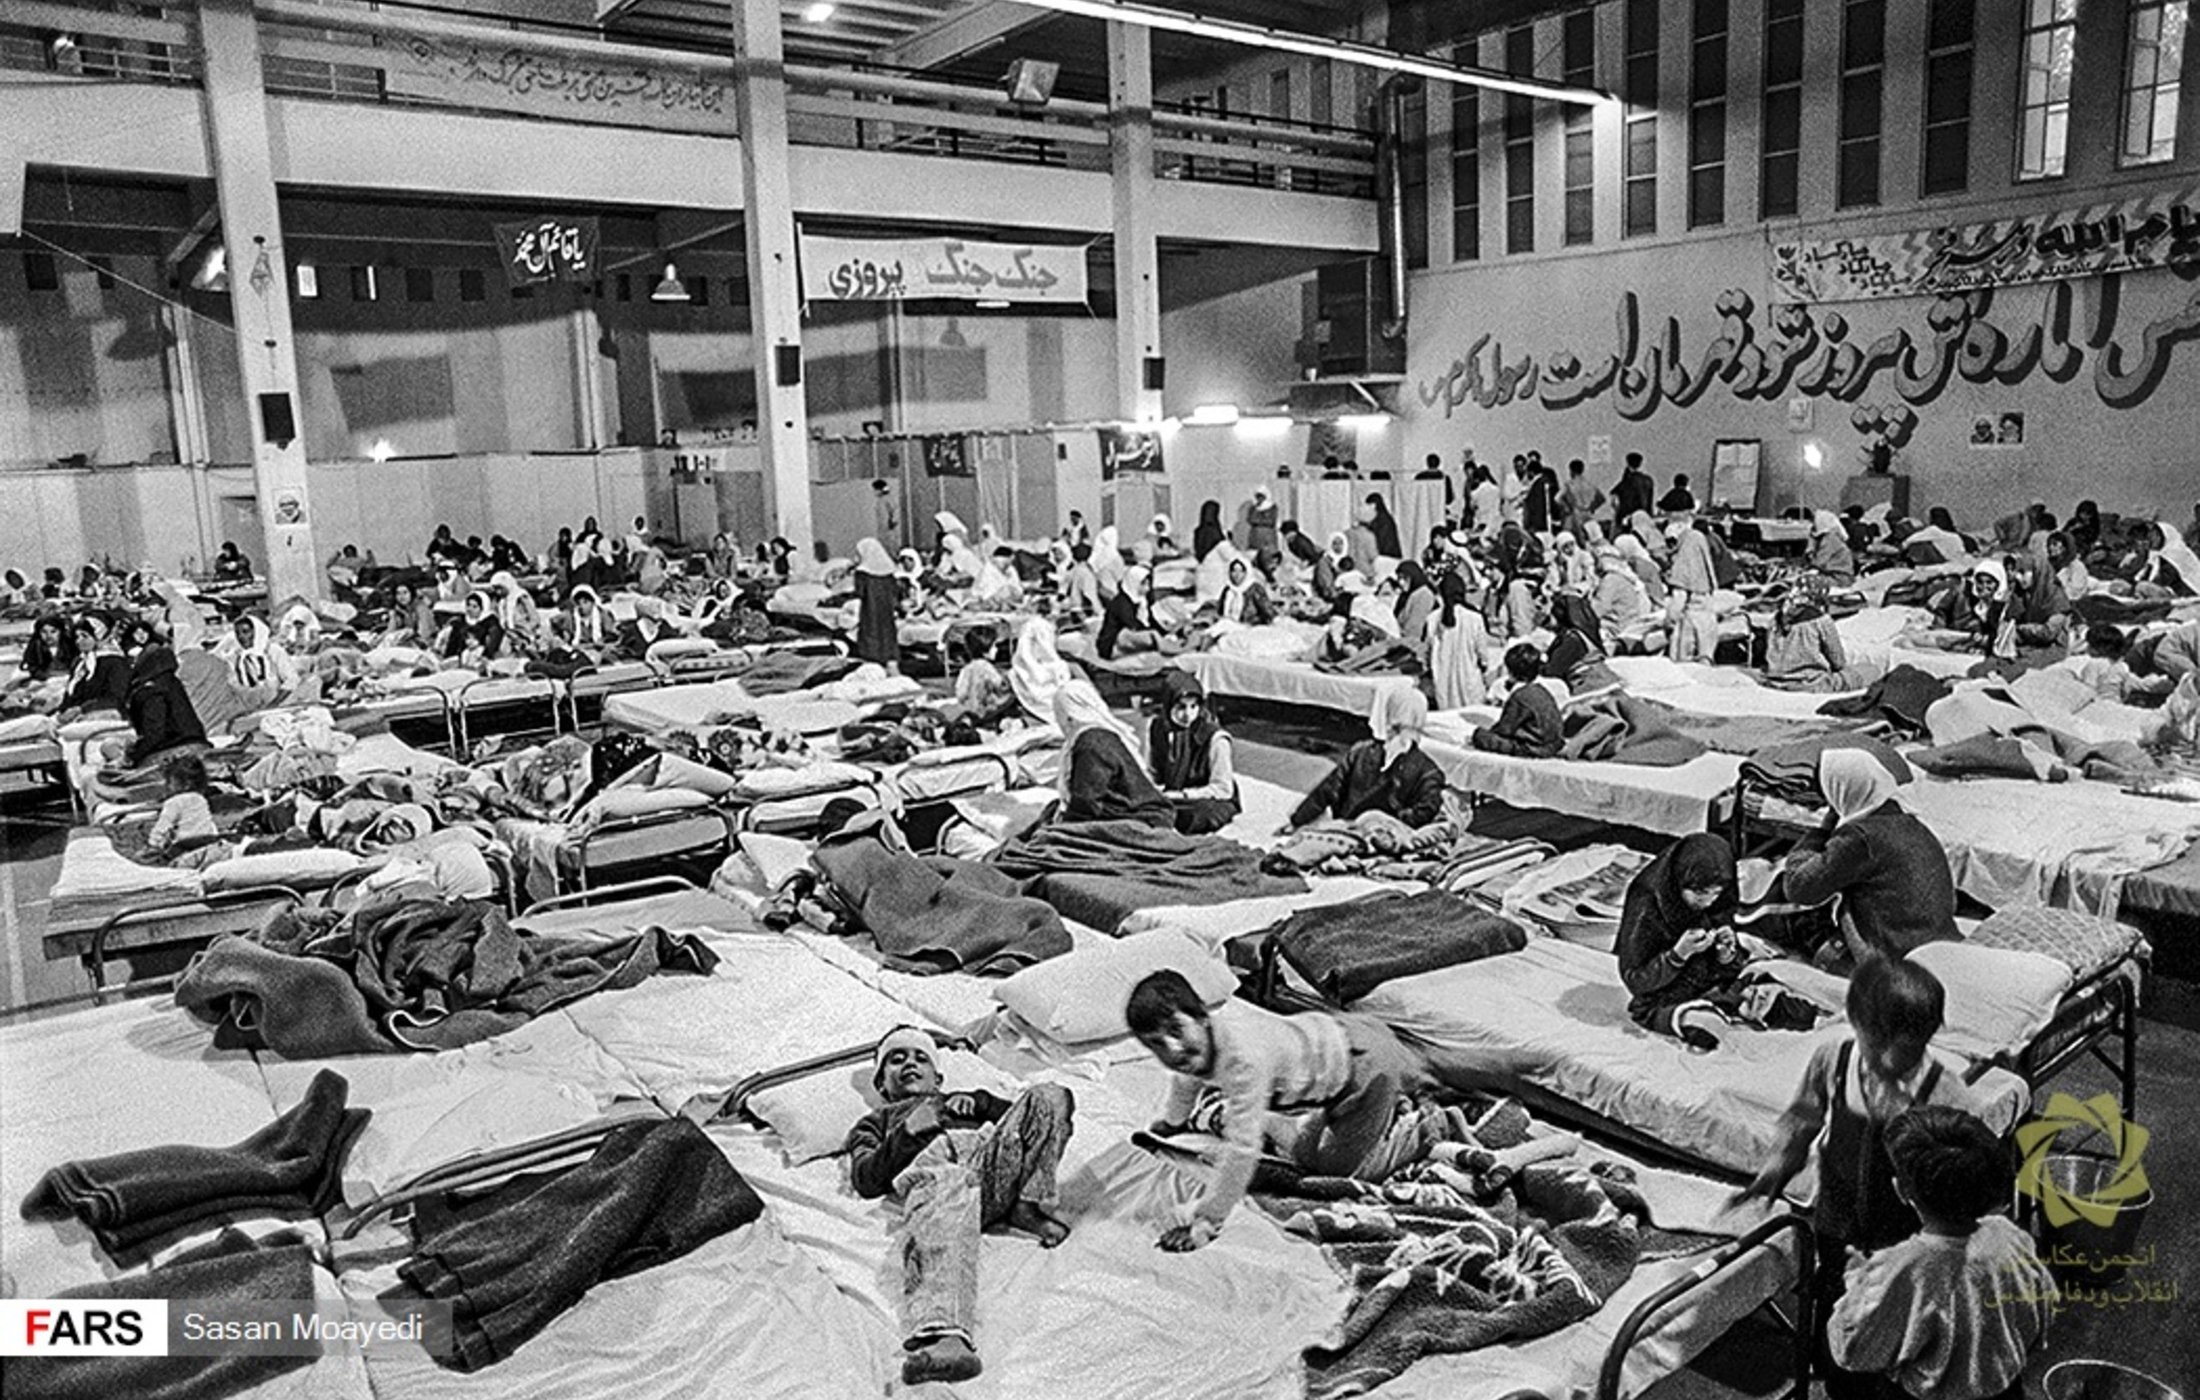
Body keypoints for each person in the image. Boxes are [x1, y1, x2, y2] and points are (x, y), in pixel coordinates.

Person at [1739, 956, 2013, 1399]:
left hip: (1907, 1246)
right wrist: (1777, 1167)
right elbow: (1802, 1119)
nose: (1888, 1062)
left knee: (1896, 1347)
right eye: (1877, 1046)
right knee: (1840, 1330)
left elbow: (1972, 1177)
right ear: (1856, 1025)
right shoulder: (1834, 1059)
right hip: (1838, 1224)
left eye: (1907, 1053)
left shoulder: (1946, 1092)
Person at [1127, 969, 1433, 1253]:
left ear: (1202, 1016)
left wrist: (1205, 1224)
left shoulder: (1243, 1061)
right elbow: (1185, 1083)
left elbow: (1242, 1151)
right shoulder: (1204, 1047)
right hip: (1340, 1035)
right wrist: (1171, 1125)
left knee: (1336, 1168)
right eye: (1156, 1044)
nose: (1172, 1049)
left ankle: (1428, 1128)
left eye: (1176, 1030)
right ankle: (1287, 1118)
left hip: (1365, 1073)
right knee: (1311, 1145)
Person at [845, 1026, 1074, 1386]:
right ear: (882, 1085)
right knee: (945, 1194)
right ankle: (949, 1340)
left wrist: (982, 1103)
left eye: (921, 1058)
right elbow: (865, 1178)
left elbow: (1029, 1123)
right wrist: (908, 1131)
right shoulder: (875, 1123)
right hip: (938, 1174)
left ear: (937, 1078)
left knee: (1053, 1096)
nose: (910, 1063)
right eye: (896, 1059)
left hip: (989, 1163)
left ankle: (1025, 1206)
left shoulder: (964, 1100)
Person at [1825, 1105, 2055, 1400]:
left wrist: (1860, 1284)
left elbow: (1853, 1351)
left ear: (1901, 1190)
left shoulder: (1903, 1267)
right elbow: (2042, 1308)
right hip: (2005, 1392)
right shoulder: (2011, 1236)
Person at [1777, 749, 1959, 962]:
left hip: (1895, 956)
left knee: (1795, 927)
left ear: (1842, 790)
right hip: (1933, 940)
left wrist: (1822, 829)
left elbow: (1798, 888)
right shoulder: (1910, 823)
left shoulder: (1861, 837)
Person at [1615, 833, 1753, 1048]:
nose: (1707, 901)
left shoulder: (1717, 901)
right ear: (1679, 880)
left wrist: (1726, 956)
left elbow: (1727, 964)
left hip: (1708, 984)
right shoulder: (1649, 900)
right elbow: (1636, 979)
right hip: (1662, 994)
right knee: (1708, 1030)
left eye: (1715, 893)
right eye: (1700, 892)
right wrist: (1678, 954)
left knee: (1770, 996)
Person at [1288, 687, 1446, 830]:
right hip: (1386, 837)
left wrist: (1298, 820)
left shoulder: (1360, 751)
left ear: (1388, 715)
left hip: (1346, 829)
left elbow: (1328, 790)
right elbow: (1426, 811)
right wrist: (1389, 823)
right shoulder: (1429, 771)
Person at [1053, 680, 1172, 827]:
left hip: (1139, 817)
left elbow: (1087, 802)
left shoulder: (1092, 742)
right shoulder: (1096, 736)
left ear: (1068, 716)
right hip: (1124, 810)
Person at [1147, 670, 1239, 835]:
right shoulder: (1159, 728)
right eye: (1181, 707)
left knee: (1198, 816)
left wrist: (1182, 795)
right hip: (1172, 794)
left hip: (1206, 797)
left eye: (1193, 707)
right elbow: (1153, 771)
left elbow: (1223, 789)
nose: (1188, 715)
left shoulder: (1216, 738)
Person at [1765, 576, 1872, 691]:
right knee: (1869, 670)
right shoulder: (1820, 620)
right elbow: (1838, 661)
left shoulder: (1775, 619)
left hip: (1776, 681)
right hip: (1811, 683)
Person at [121, 623, 205, 766]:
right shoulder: (171, 682)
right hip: (198, 746)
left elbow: (155, 734)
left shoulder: (150, 690)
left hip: (176, 753)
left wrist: (133, 756)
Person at [1471, 644, 1565, 758]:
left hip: (1534, 748)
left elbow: (1504, 729)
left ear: (1510, 672)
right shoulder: (1542, 690)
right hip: (1553, 743)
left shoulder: (1520, 697)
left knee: (1480, 735)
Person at [145, 751, 223, 868]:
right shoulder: (201, 799)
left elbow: (163, 826)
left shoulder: (174, 802)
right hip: (207, 843)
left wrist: (153, 844)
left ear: (186, 784)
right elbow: (209, 824)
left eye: (170, 782)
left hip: (184, 847)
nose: (167, 786)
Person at [1425, 571, 1490, 709]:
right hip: (1469, 681)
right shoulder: (1474, 618)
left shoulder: (1432, 619)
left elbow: (1428, 651)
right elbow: (1483, 654)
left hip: (1443, 682)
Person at [1665, 516, 1720, 663]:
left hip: (1689, 621)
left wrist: (1668, 621)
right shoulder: (1701, 557)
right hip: (1708, 616)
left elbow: (1679, 599)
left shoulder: (1684, 562)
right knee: (1705, 662)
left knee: (1684, 666)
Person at [216, 615, 297, 708]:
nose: (241, 637)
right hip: (250, 707)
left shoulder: (273, 651)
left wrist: (274, 704)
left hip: (279, 705)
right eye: (237, 633)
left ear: (257, 632)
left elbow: (292, 680)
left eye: (245, 632)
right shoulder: (237, 658)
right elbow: (233, 685)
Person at [851, 537, 900, 669]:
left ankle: (873, 662)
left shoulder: (862, 573)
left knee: (871, 633)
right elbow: (895, 592)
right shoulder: (889, 572)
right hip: (886, 610)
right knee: (887, 633)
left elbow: (859, 593)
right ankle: (890, 660)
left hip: (870, 609)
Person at [1096, 565, 1161, 662]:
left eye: (1148, 584)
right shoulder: (1122, 603)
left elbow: (1150, 620)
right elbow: (1133, 625)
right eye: (1143, 584)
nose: (1147, 588)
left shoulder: (1141, 601)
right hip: (1112, 643)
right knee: (1149, 638)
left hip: (1128, 639)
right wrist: (1152, 634)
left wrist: (1162, 631)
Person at [442, 591, 505, 665]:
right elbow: (452, 644)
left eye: (474, 607)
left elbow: (492, 644)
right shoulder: (460, 622)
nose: (470, 609)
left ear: (482, 608)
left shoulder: (491, 623)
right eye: (468, 605)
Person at [1210, 556, 1275, 627]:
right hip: (1227, 625)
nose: (1237, 574)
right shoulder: (1228, 590)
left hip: (1248, 627)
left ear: (1246, 572)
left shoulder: (1255, 589)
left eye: (1241, 571)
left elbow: (1268, 613)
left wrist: (1252, 623)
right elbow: (1219, 611)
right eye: (1234, 571)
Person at [487, 572, 541, 655]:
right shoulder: (502, 602)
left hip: (525, 633)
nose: (498, 592)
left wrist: (524, 631)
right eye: (496, 589)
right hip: (510, 634)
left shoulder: (520, 596)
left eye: (500, 588)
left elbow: (534, 618)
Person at [1809, 511, 1857, 584]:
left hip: (1838, 578)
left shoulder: (1830, 539)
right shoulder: (1834, 537)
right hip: (1840, 576)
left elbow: (1820, 562)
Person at [1561, 459, 1604, 535]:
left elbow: (1557, 499)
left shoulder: (1569, 484)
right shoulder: (1590, 484)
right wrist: (1592, 507)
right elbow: (1601, 499)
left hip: (1576, 514)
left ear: (1571, 471)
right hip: (1588, 514)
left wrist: (1567, 507)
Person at [1244, 486, 1280, 572]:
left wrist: (1258, 521)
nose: (1259, 499)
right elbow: (1250, 519)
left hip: (1268, 537)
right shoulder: (1253, 508)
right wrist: (1259, 516)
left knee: (1268, 559)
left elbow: (1270, 521)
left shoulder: (1272, 507)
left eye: (1261, 496)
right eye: (1258, 496)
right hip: (1255, 537)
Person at [1614, 453, 1654, 521]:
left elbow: (1616, 498)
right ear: (1641, 464)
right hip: (1645, 516)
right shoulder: (1648, 480)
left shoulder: (1626, 482)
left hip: (1629, 517)